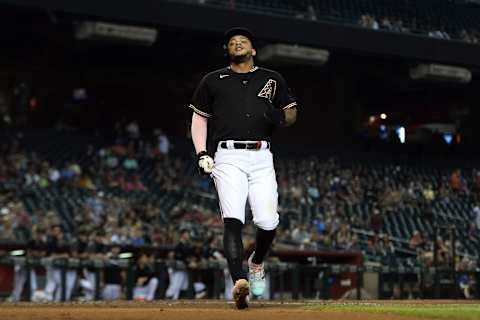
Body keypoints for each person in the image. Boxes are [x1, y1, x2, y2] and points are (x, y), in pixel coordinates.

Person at [189, 27, 298, 309]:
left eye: (243, 41)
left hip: (262, 156)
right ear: (228, 50)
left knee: (267, 221)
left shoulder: (271, 78)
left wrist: (276, 116)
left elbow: (291, 113)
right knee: (232, 219)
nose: (237, 43)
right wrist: (202, 152)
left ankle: (257, 261)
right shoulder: (213, 80)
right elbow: (199, 120)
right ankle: (239, 281)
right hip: (227, 156)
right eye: (232, 42)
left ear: (253, 50)